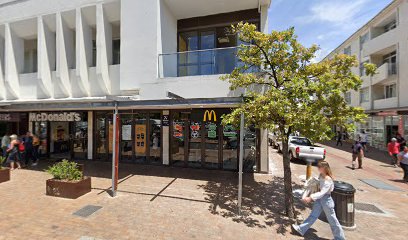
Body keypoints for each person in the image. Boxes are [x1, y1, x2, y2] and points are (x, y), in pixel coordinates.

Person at [292, 161, 345, 240]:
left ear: (324, 168)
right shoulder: (321, 175)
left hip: (326, 200)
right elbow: (318, 185)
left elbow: (322, 192)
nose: (318, 168)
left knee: (332, 220)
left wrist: (310, 197)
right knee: (313, 215)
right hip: (320, 200)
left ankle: (340, 238)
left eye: (319, 167)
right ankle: (301, 229)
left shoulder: (328, 180)